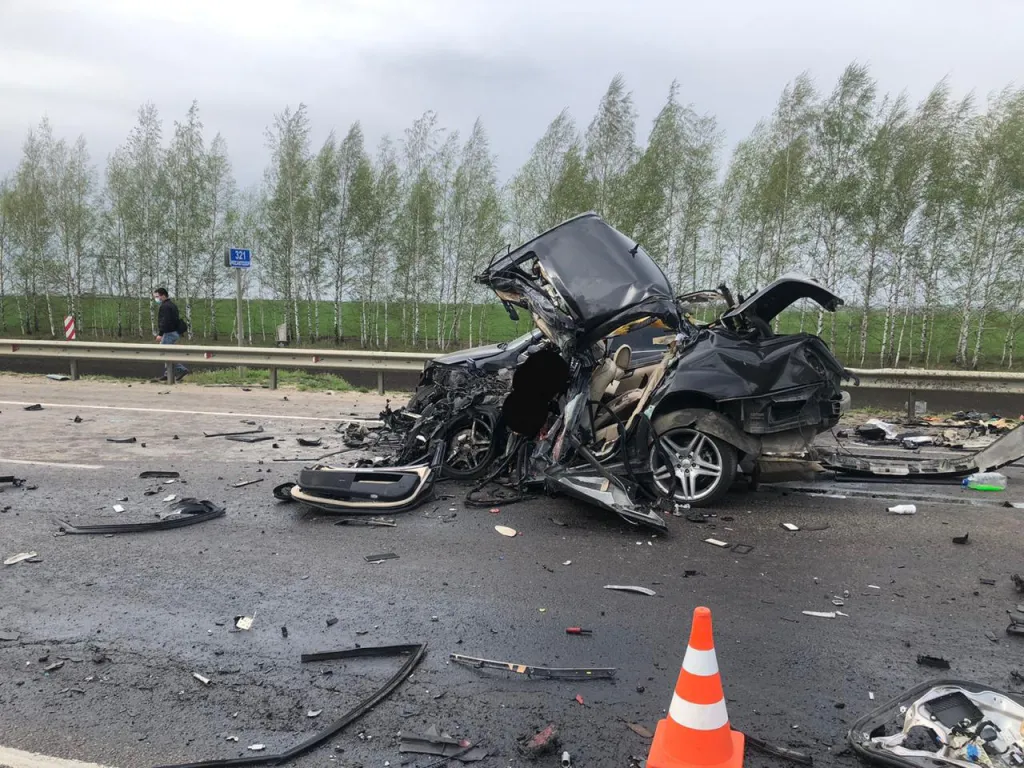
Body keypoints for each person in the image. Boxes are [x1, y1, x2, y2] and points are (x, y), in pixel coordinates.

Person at [152, 288, 190, 382]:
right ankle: (168, 374)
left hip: (168, 333)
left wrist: (160, 334)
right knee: (168, 353)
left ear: (163, 295)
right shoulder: (172, 305)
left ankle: (181, 370)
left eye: (157, 296)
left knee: (165, 353)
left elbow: (165, 321)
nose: (156, 299)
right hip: (174, 332)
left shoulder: (165, 306)